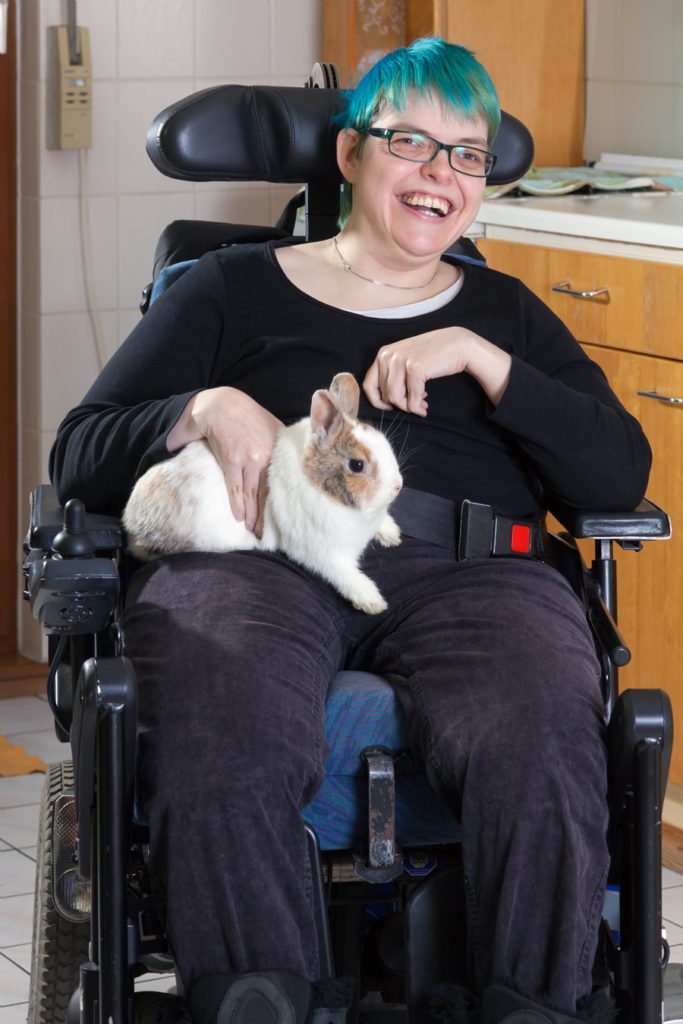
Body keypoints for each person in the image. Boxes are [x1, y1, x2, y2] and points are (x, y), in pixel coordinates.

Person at [50, 36, 650, 1024]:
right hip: (263, 559)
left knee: (536, 731)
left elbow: (615, 470)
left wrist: (485, 360)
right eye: (408, 141)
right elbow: (78, 453)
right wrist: (200, 405)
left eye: (465, 152)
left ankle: (529, 1006)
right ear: (349, 155)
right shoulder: (227, 287)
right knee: (223, 713)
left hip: (472, 572)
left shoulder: (505, 309)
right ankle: (261, 999)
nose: (438, 173)